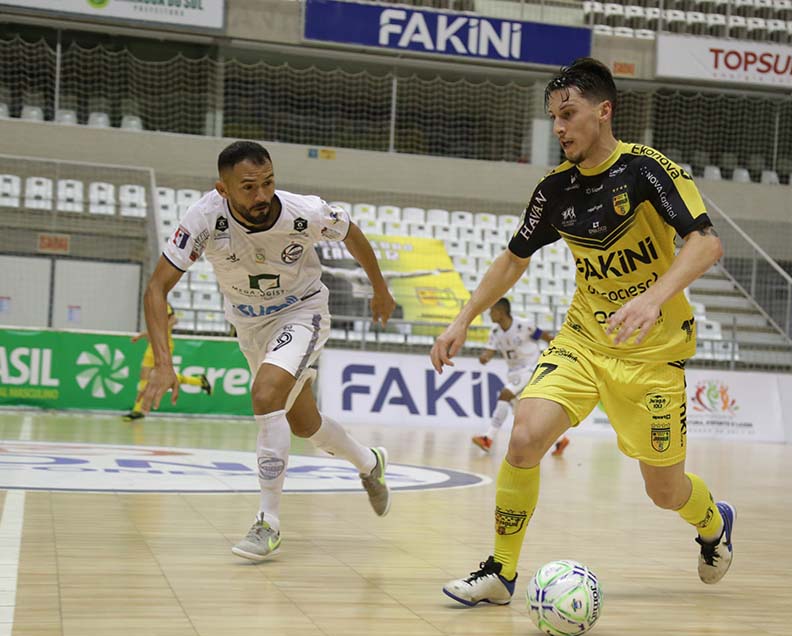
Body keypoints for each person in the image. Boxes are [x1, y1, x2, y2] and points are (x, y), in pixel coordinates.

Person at [431, 58, 735, 606]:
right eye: (553, 118)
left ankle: (713, 521)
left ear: (603, 110)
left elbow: (706, 244)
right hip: (582, 342)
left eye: (568, 114)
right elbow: (513, 259)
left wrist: (652, 297)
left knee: (664, 491)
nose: (560, 128)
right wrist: (462, 319)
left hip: (653, 356)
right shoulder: (555, 191)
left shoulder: (648, 170)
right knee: (523, 437)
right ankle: (501, 573)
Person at [141, 140, 396, 561]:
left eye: (268, 182)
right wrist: (163, 363)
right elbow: (157, 287)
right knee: (303, 423)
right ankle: (369, 462)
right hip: (248, 324)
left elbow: (352, 234)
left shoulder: (305, 212)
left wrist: (381, 289)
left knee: (264, 395)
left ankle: (268, 522)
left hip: (302, 310)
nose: (262, 195)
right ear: (223, 190)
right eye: (248, 187)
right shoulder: (204, 218)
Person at [471, 297, 569, 458]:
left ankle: (488, 438)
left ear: (501, 312)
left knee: (504, 395)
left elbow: (545, 337)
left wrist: (560, 351)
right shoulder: (495, 332)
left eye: (492, 311)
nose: (489, 314)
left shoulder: (523, 325)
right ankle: (560, 440)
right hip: (514, 373)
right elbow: (489, 351)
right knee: (526, 416)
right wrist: (484, 357)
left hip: (531, 368)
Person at [123, 302, 212, 421]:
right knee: (144, 376)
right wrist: (142, 335)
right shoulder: (150, 304)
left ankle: (199, 381)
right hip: (153, 345)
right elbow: (155, 327)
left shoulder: (162, 303)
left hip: (163, 345)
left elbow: (174, 320)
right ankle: (137, 410)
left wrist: (156, 333)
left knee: (163, 376)